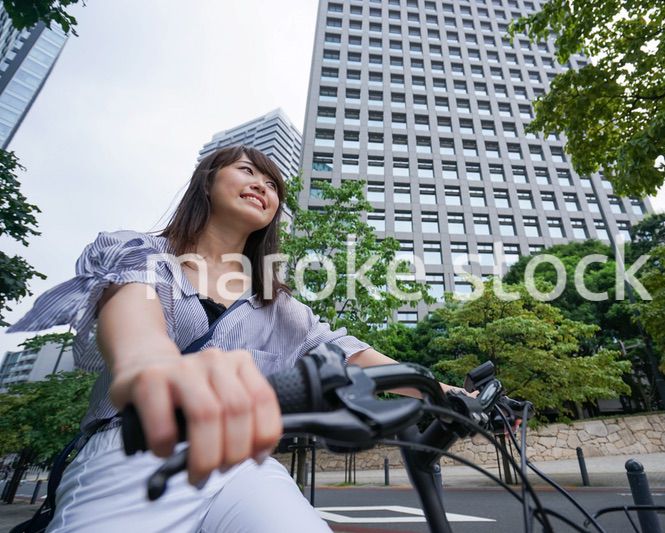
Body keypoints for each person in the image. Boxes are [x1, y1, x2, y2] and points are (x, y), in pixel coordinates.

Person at [9, 146, 465, 532]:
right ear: (206, 183)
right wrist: (153, 366)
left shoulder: (276, 303)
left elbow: (346, 350)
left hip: (242, 458)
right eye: (247, 171)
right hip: (137, 447)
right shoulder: (147, 254)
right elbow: (136, 314)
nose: (262, 186)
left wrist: (444, 391)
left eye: (272, 184)